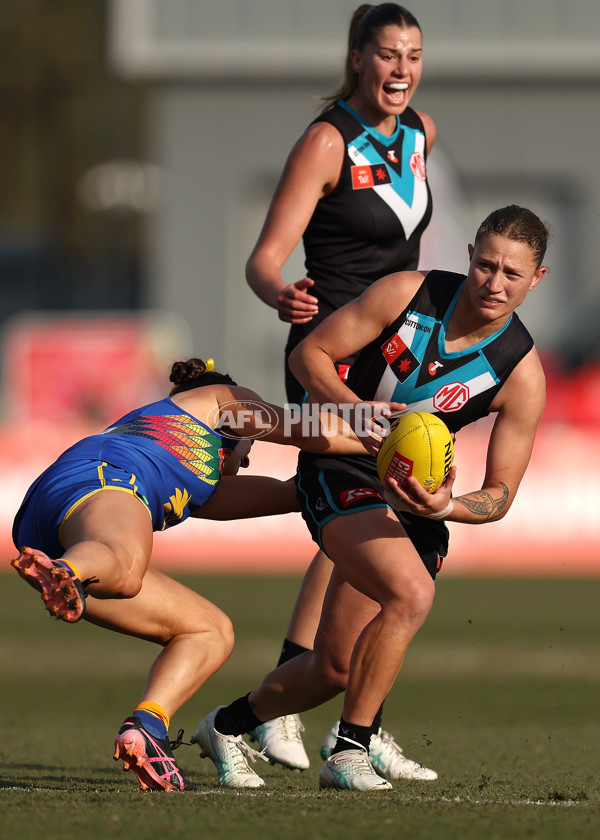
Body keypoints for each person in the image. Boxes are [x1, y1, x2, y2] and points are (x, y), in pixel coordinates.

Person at [193, 205, 550, 791]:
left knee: (335, 665)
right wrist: (350, 406)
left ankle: (228, 726)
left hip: (410, 501)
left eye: (512, 274)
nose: (494, 283)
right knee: (412, 594)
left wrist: (444, 508)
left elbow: (500, 494)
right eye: (486, 265)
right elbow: (307, 355)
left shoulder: (522, 373)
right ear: (469, 258)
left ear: (537, 279)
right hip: (338, 457)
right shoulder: (407, 294)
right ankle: (351, 749)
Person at [11, 356, 393, 793]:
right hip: (101, 479)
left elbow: (292, 495)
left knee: (210, 631)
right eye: (248, 450)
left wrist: (371, 485)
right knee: (127, 567)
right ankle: (66, 571)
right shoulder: (223, 400)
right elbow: (297, 426)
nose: (247, 463)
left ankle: (147, 728)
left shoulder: (198, 478)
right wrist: (377, 432)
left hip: (60, 523)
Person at [245, 2, 438, 779]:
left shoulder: (422, 132)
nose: (401, 70)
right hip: (329, 353)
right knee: (351, 520)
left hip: (391, 347)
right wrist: (278, 295)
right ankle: (297, 711)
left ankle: (335, 714)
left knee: (359, 525)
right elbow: (264, 257)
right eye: (387, 55)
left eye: (413, 56)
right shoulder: (326, 140)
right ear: (358, 59)